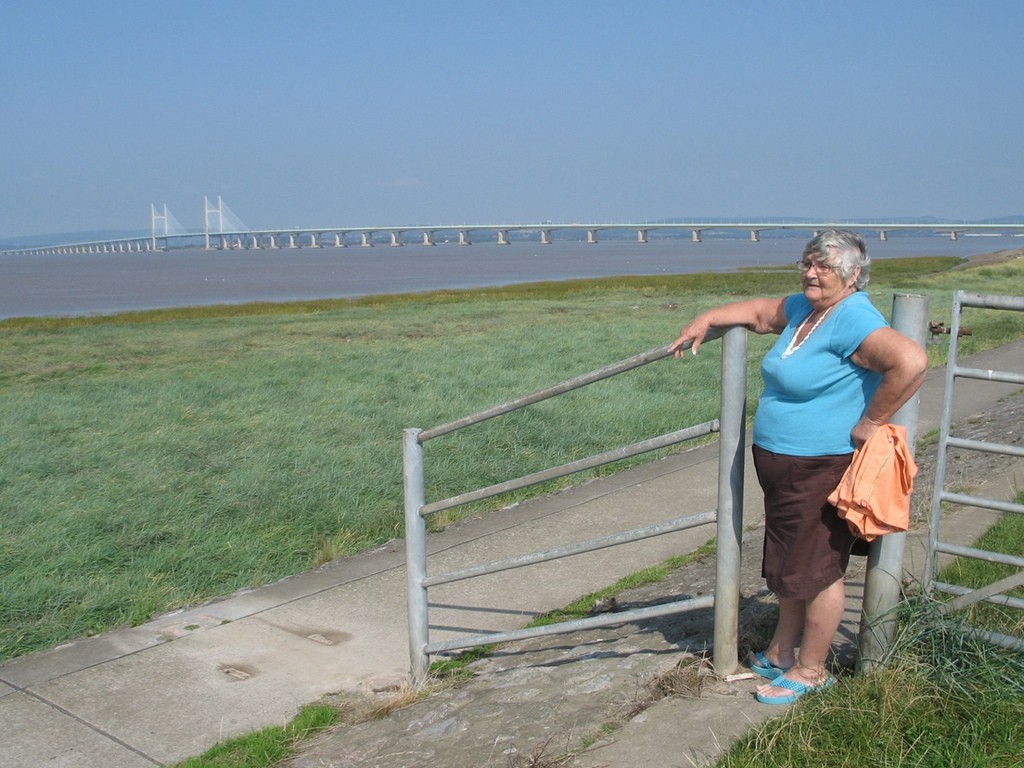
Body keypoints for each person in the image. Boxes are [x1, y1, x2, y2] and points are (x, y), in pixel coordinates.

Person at [668, 229, 927, 705]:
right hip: (784, 463)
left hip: (820, 465)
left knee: (820, 568)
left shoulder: (850, 317)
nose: (811, 273)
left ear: (852, 276)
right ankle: (783, 650)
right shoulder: (809, 309)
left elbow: (910, 361)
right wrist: (706, 319)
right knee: (790, 560)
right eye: (807, 263)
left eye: (823, 267)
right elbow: (761, 312)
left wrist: (871, 421)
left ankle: (812, 668)